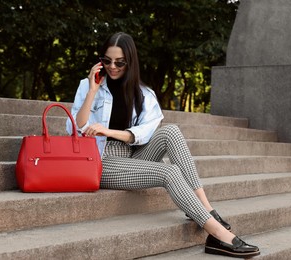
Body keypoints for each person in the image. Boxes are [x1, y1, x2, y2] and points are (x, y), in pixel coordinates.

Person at [66, 32, 260, 258]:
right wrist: (92, 90)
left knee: (171, 131)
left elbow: (143, 134)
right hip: (101, 161)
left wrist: (108, 131)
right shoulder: (87, 86)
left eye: (120, 62)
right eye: (107, 61)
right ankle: (217, 234)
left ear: (130, 62)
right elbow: (76, 128)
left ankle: (206, 207)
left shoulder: (143, 93)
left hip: (130, 156)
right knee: (169, 171)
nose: (112, 67)